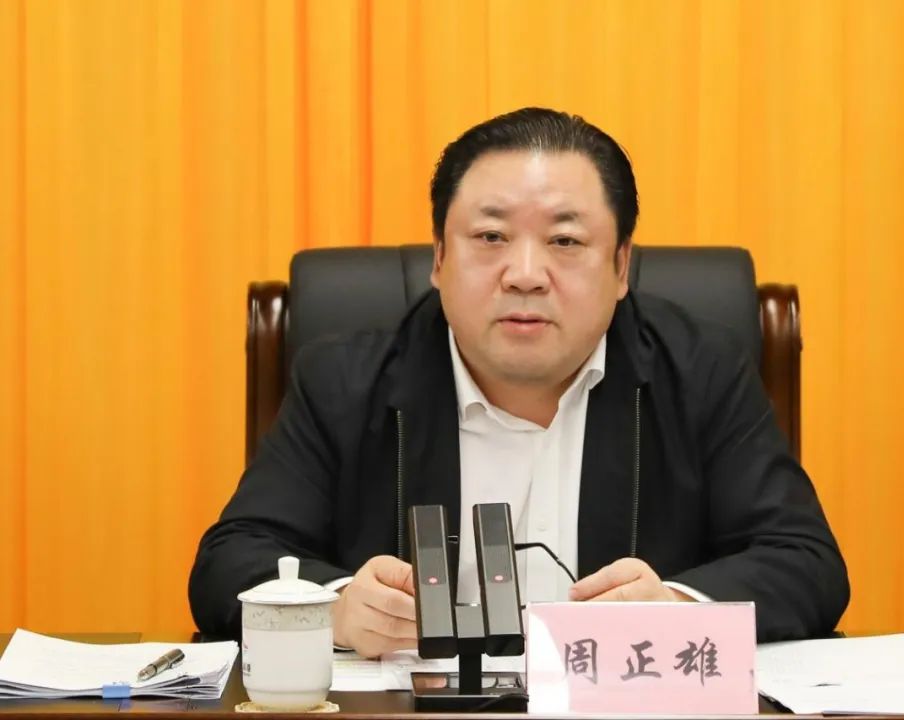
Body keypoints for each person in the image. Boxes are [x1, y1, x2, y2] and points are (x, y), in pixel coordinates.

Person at [189, 107, 849, 657]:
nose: (525, 274)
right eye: (490, 236)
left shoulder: (701, 372)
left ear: (621, 267)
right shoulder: (344, 381)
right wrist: (333, 609)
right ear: (439, 260)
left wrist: (674, 608)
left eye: (565, 242)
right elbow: (231, 560)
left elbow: (805, 563)